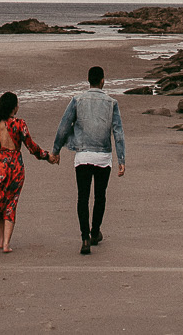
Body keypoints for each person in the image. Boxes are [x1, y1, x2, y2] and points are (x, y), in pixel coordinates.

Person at [50, 65, 125, 255]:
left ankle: (84, 237)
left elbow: (63, 126)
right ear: (102, 81)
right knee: (100, 196)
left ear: (88, 80)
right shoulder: (112, 103)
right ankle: (95, 231)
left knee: (82, 197)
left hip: (83, 154)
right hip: (103, 156)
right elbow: (118, 132)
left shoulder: (77, 100)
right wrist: (122, 159)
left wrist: (56, 150)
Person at [0, 91, 51, 253]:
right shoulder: (19, 124)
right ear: (14, 107)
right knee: (11, 202)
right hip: (15, 165)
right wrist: (47, 156)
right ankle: (6, 243)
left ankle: (1, 240)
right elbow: (31, 146)